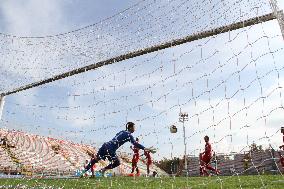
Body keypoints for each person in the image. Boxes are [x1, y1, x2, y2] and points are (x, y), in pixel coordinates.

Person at [81, 122, 154, 177]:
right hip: (110, 149)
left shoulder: (121, 131)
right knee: (117, 162)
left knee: (95, 159)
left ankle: (83, 172)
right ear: (131, 128)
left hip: (105, 145)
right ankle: (103, 170)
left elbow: (117, 137)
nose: (135, 129)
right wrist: (145, 148)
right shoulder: (129, 135)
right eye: (134, 127)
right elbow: (135, 143)